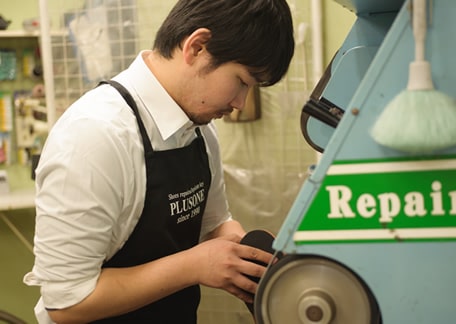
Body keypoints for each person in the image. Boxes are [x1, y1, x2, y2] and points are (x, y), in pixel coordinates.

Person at [24, 0, 295, 322]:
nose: (240, 102)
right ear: (197, 47)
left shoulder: (199, 130)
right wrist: (195, 265)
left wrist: (241, 252)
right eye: (241, 81)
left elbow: (214, 224)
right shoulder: (94, 137)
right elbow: (67, 304)